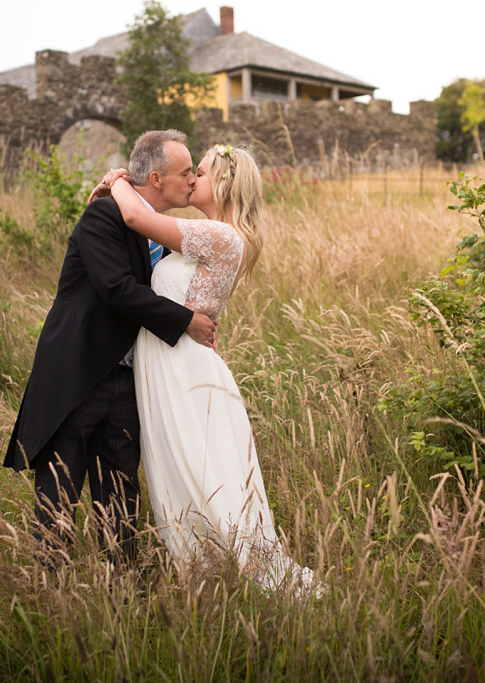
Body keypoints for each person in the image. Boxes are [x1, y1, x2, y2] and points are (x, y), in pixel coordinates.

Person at [97, 144, 320, 595]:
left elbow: (138, 219)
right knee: (178, 474)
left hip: (184, 372)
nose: (190, 179)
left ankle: (256, 579)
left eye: (198, 172)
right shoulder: (205, 232)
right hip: (167, 366)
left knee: (208, 477)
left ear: (222, 183)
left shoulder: (221, 236)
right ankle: (205, 578)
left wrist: (117, 179)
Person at [3, 130, 217, 565]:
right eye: (183, 173)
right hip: (78, 377)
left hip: (128, 382)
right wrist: (186, 322)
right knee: (57, 500)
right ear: (155, 178)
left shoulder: (163, 229)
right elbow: (116, 289)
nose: (191, 181)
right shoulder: (103, 215)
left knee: (122, 501)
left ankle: (125, 595)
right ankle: (51, 594)